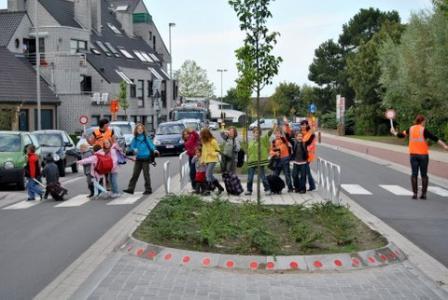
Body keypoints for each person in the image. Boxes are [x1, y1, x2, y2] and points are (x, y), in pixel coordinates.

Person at [391, 115, 448, 199]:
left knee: (414, 174)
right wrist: (444, 146)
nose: (425, 123)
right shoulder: (423, 130)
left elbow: (401, 135)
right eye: (424, 121)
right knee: (424, 175)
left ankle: (414, 194)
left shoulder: (410, 129)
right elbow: (435, 138)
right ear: (422, 121)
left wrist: (394, 132)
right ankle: (423, 194)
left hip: (413, 155)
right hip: (423, 155)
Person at [123, 123, 157, 195]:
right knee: (135, 174)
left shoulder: (145, 138)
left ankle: (148, 189)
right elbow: (131, 146)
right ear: (136, 130)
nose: (140, 130)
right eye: (138, 129)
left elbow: (151, 145)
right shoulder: (135, 138)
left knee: (146, 174)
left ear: (143, 130)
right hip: (138, 158)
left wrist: (154, 150)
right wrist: (134, 149)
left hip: (146, 158)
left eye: (141, 129)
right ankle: (130, 189)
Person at [245, 127, 271, 196]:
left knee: (263, 177)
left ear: (260, 134)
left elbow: (268, 134)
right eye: (255, 132)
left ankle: (267, 189)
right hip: (251, 162)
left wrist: (274, 126)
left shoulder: (263, 140)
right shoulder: (251, 142)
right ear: (253, 133)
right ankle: (249, 190)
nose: (257, 134)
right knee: (250, 178)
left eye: (258, 133)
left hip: (260, 162)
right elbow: (249, 151)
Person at [200, 128, 224, 195]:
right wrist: (202, 160)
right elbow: (203, 152)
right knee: (210, 176)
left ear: (205, 134)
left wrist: (212, 153)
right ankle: (220, 188)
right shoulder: (204, 142)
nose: (201, 136)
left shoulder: (213, 141)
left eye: (202, 135)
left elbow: (218, 151)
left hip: (213, 160)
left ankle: (207, 190)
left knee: (207, 175)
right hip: (207, 160)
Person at [270, 127, 294, 192]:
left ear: (281, 133)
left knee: (287, 174)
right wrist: (275, 153)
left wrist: (286, 125)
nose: (277, 134)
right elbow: (270, 151)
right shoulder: (274, 141)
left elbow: (288, 134)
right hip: (277, 161)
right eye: (276, 133)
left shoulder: (284, 139)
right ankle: (276, 188)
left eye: (279, 133)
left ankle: (290, 188)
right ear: (274, 134)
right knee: (275, 175)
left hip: (285, 159)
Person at [301, 120, 317, 191]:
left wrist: (306, 149)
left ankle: (312, 185)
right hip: (302, 154)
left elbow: (311, 144)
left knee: (306, 171)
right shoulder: (301, 133)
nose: (303, 126)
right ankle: (311, 185)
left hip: (307, 155)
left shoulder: (310, 134)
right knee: (306, 171)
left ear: (307, 125)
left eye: (304, 125)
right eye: (302, 125)